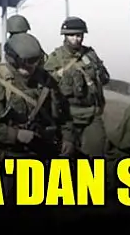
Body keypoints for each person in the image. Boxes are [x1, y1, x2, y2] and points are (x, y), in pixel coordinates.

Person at [0, 32, 75, 159]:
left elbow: (63, 114)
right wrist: (16, 134)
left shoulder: (45, 80)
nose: (31, 66)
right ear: (13, 60)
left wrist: (68, 138)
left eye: (35, 61)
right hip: (6, 153)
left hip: (39, 150)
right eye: (26, 62)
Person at [45, 16, 110, 157]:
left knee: (96, 154)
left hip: (92, 114)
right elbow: (46, 90)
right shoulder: (55, 58)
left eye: (79, 35)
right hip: (67, 118)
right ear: (65, 36)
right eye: (72, 35)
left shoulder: (90, 55)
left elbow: (104, 78)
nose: (76, 39)